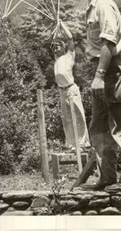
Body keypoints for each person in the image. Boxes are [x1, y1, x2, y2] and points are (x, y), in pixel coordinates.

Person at [73, 0, 121, 189]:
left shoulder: (103, 5)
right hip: (101, 73)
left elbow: (109, 43)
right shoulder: (93, 7)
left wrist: (99, 75)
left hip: (111, 72)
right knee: (99, 127)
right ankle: (108, 176)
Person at [51, 22, 90, 150]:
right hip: (62, 92)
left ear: (63, 47)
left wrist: (61, 24)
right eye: (54, 47)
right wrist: (54, 27)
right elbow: (52, 39)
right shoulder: (56, 59)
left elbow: (70, 38)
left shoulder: (69, 56)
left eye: (57, 46)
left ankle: (83, 143)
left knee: (78, 116)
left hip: (71, 89)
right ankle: (71, 144)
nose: (55, 48)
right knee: (66, 119)